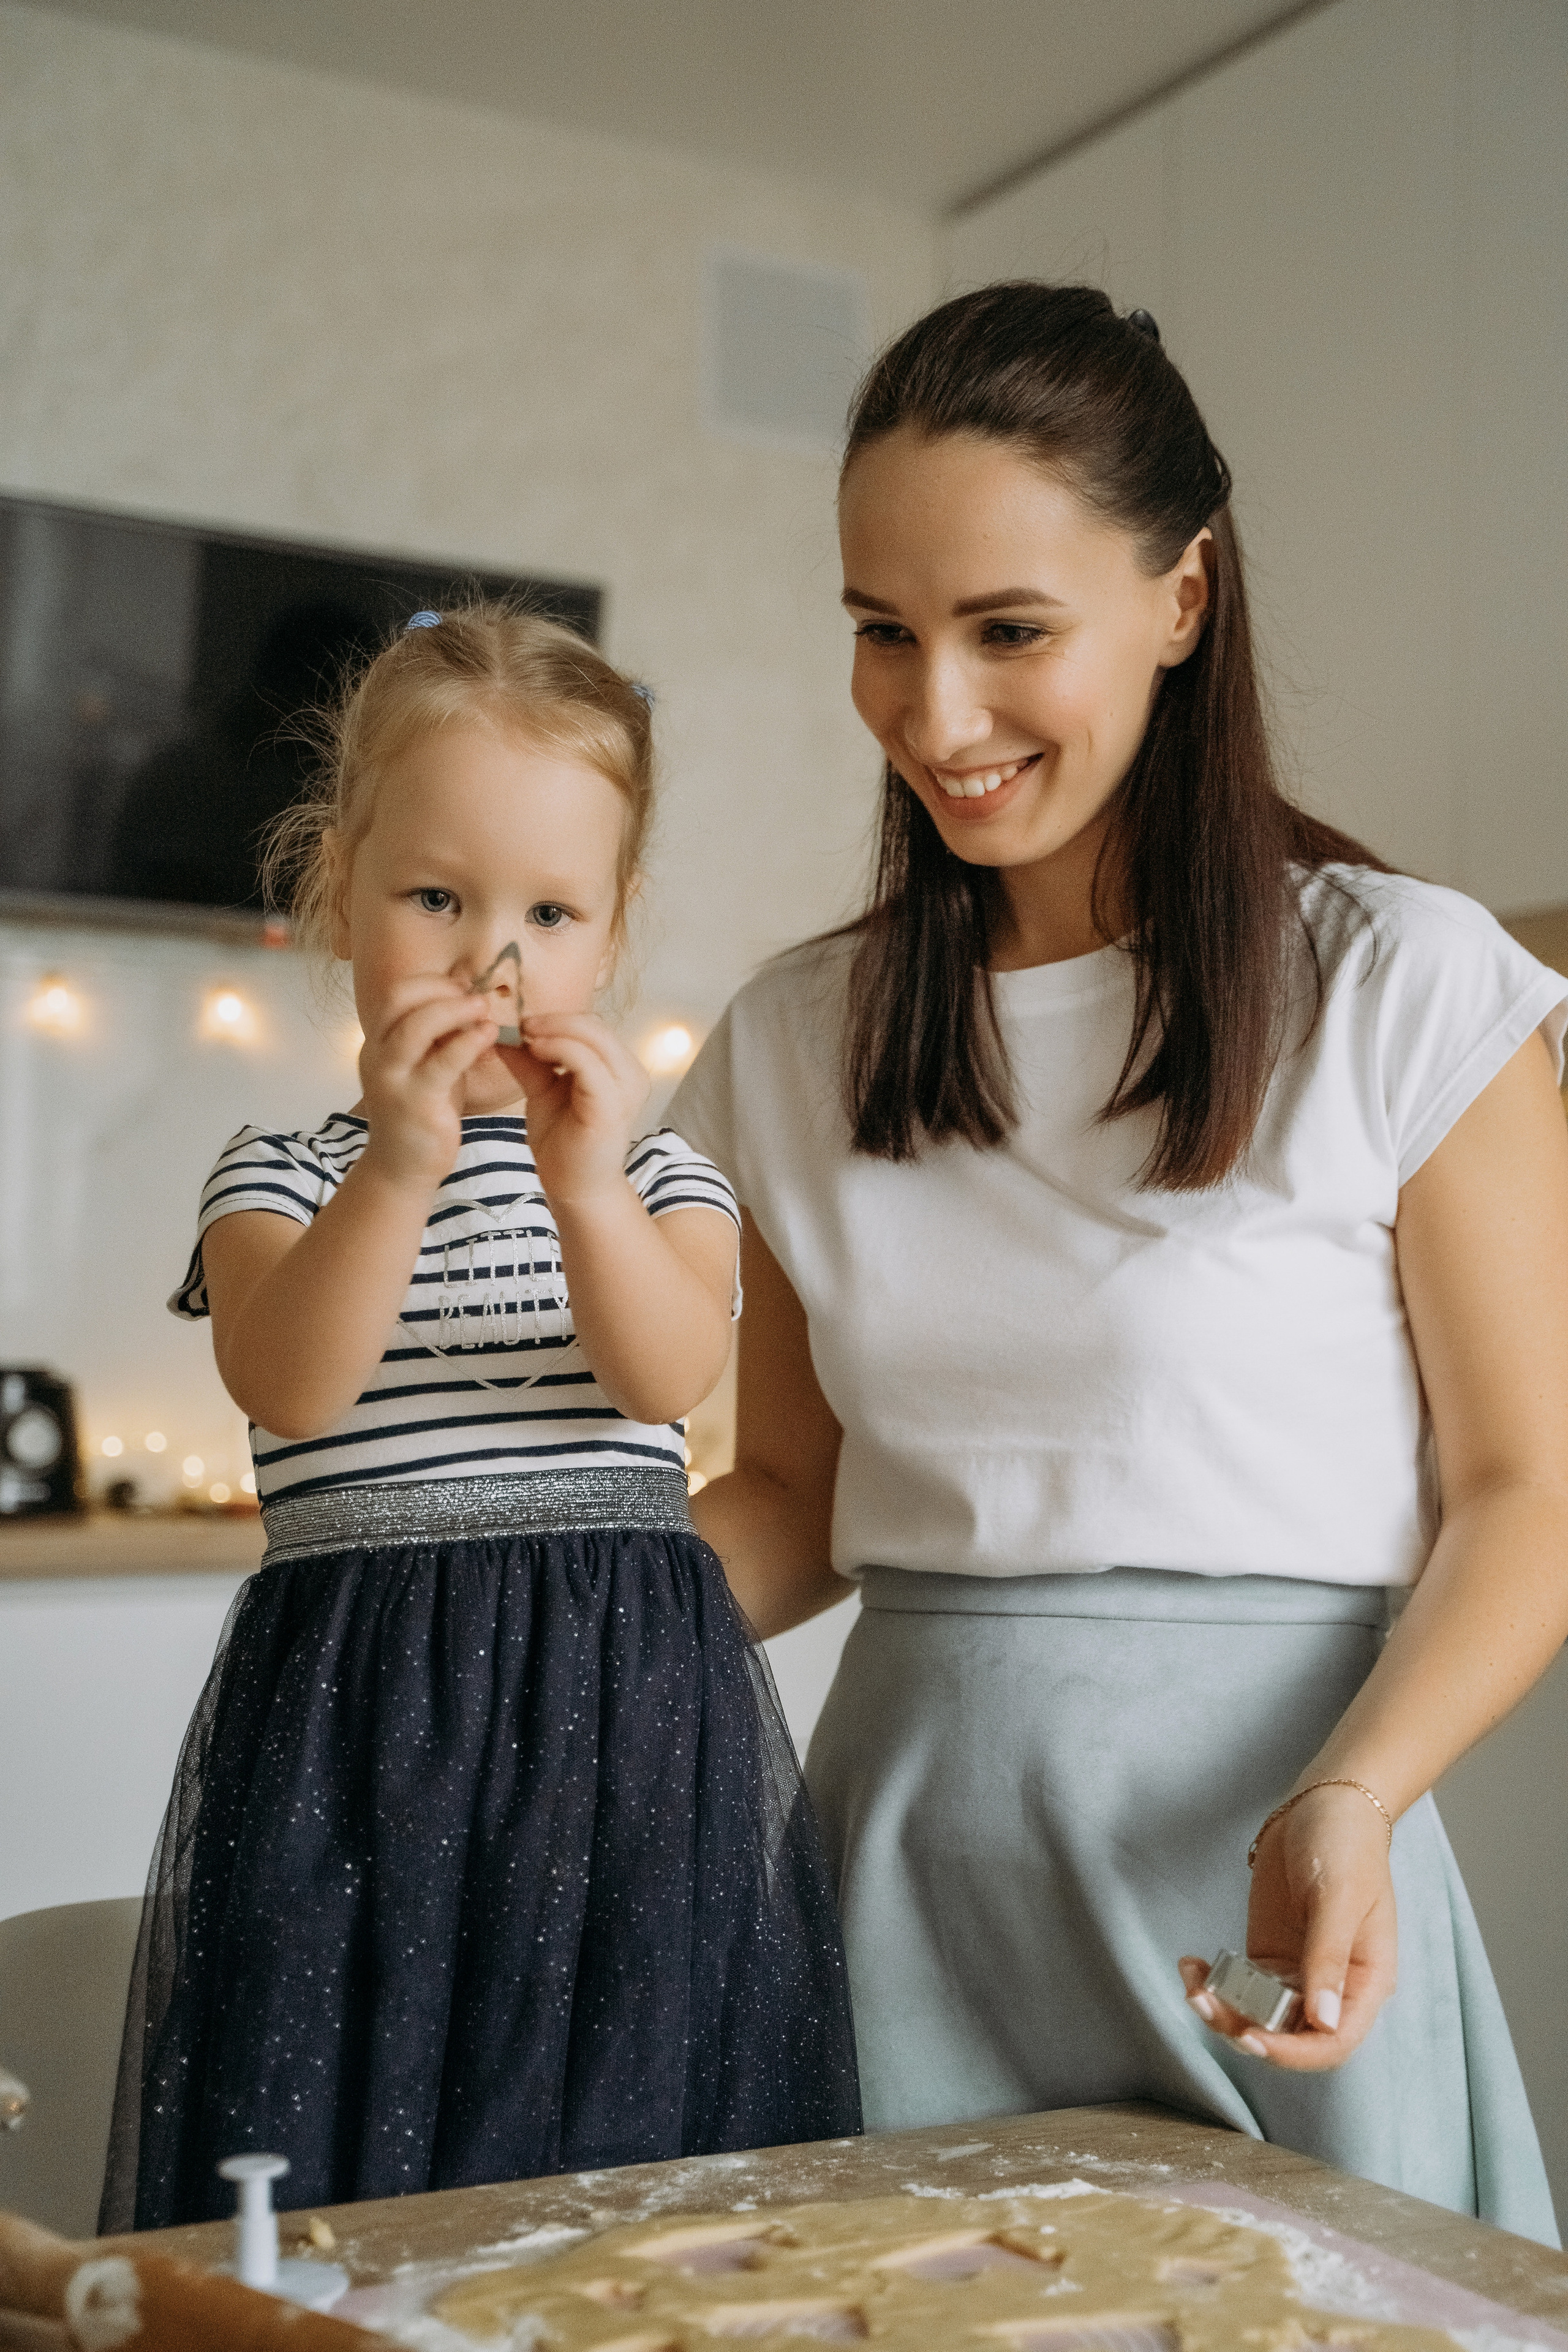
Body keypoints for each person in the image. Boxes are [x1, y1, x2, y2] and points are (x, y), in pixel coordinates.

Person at [671, 284, 1568, 2244]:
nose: (935, 714)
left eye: (1010, 632)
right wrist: (551, 1633)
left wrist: (1357, 1797)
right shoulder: (791, 1037)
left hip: (1272, 1861)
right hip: (903, 1873)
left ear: (1181, 597)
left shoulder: (1407, 988)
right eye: (881, 634)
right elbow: (801, 1501)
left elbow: (1528, 1496)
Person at [100, 604, 860, 2234]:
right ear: (341, 888)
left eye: (549, 912)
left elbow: (666, 1381)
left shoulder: (662, 1176)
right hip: (358, 1722)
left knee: (622, 2149)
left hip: (625, 1726)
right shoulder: (284, 1173)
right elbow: (291, 1381)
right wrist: (399, 1163)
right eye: (434, 898)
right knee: (346, 2147)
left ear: (614, 930)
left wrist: (587, 1183)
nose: (488, 960)